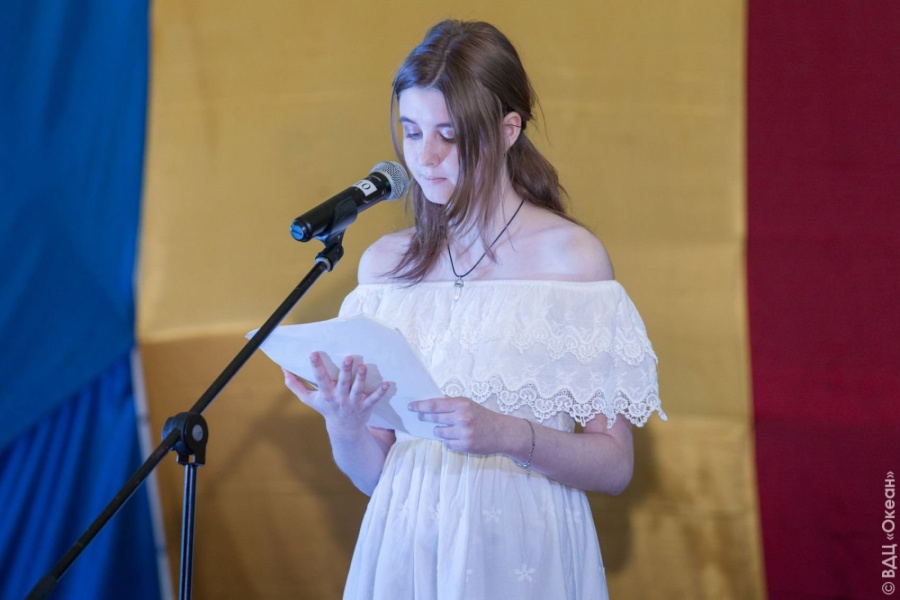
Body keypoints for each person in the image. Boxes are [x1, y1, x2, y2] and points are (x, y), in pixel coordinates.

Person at [283, 19, 666, 600]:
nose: (426, 157)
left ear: (509, 129)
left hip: (523, 550)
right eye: (412, 132)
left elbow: (614, 466)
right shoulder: (385, 267)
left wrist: (505, 434)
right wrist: (346, 423)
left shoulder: (572, 261)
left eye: (450, 135)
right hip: (405, 550)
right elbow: (377, 476)